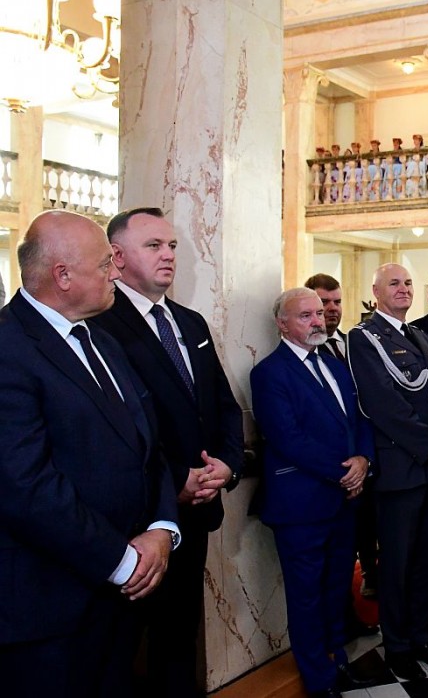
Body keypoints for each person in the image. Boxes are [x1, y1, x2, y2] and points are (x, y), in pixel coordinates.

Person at [0, 210, 179, 698]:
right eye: (104, 264)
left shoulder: (101, 340)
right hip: (49, 606)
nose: (116, 273)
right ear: (63, 275)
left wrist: (162, 527)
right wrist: (121, 561)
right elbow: (25, 486)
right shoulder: (9, 348)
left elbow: (148, 443)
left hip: (121, 596)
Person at [90, 208, 243, 697]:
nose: (168, 255)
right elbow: (117, 427)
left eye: (172, 245)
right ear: (117, 256)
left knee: (179, 636)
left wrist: (227, 465)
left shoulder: (189, 322)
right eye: (154, 245)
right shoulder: (99, 324)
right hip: (137, 520)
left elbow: (223, 405)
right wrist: (176, 478)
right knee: (122, 648)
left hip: (196, 511)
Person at [250, 289, 376, 698]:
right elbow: (288, 438)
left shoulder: (335, 364)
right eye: (305, 315)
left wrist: (364, 460)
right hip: (302, 506)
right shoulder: (270, 373)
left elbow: (360, 419)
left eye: (319, 313)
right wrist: (345, 472)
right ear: (282, 324)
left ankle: (338, 663)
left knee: (337, 588)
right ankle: (317, 678)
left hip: (344, 501)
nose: (318, 321)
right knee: (306, 595)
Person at [346, 263, 428, 681]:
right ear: (376, 291)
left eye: (408, 283)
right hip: (402, 469)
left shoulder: (419, 336)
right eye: (394, 283)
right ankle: (397, 647)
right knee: (397, 564)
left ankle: (421, 635)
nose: (403, 289)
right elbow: (381, 403)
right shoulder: (365, 337)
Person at [302, 273, 380, 624]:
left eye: (336, 302)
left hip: (363, 465)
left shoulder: (353, 343)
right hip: (326, 476)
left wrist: (364, 461)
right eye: (323, 303)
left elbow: (365, 407)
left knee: (362, 537)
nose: (331, 309)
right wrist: (344, 470)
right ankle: (340, 623)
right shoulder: (303, 354)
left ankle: (361, 599)